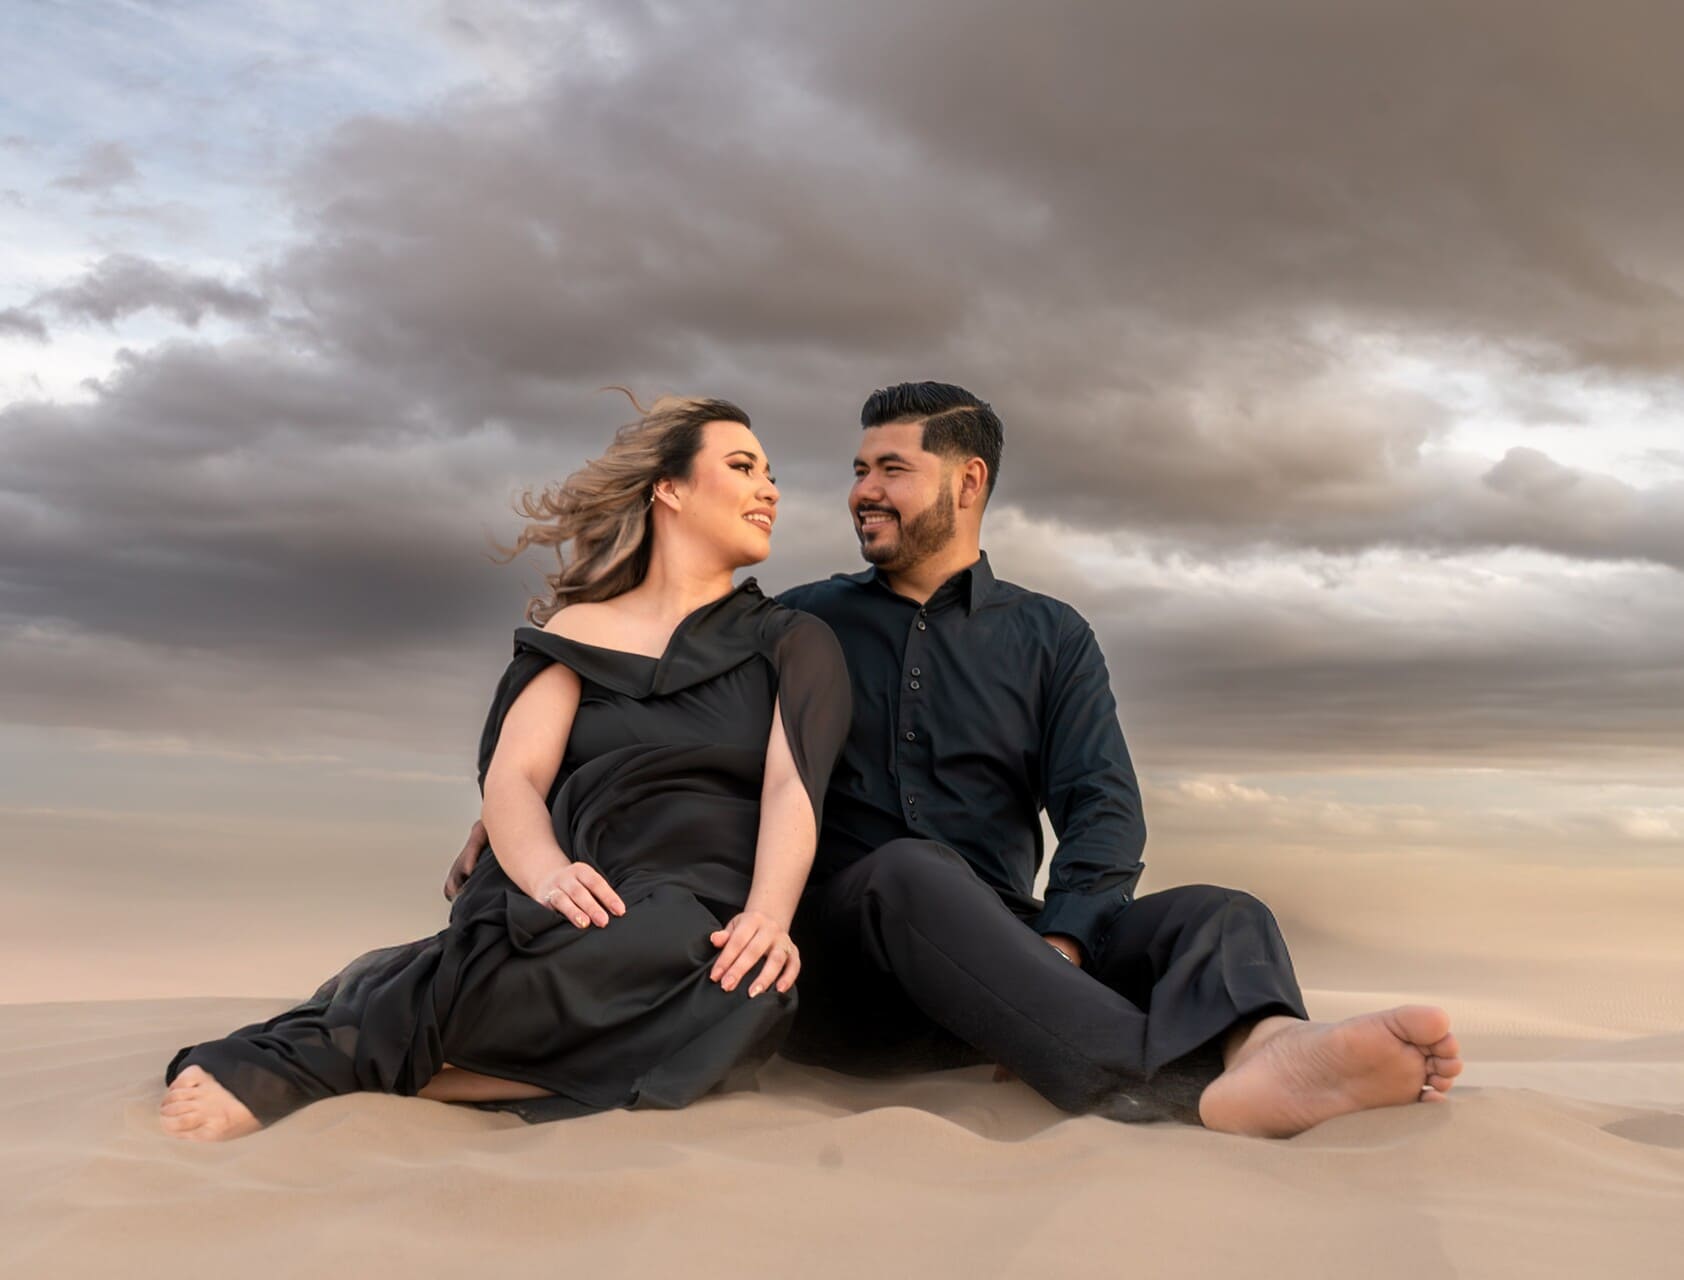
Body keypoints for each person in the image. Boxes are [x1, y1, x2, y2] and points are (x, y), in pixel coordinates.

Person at [446, 382, 1464, 1138]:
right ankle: (1172, 1090)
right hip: (849, 971)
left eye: (890, 469)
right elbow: (655, 715)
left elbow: (1102, 809)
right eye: (857, 470)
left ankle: (1273, 1049)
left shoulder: (1050, 635)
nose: (862, 491)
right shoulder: (794, 625)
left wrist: (1061, 942)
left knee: (1222, 912)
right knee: (908, 870)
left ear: (967, 481)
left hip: (1015, 958)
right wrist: (513, 811)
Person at [160, 394, 851, 1141]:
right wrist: (547, 875)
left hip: (700, 891)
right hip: (579, 878)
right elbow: (516, 778)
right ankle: (306, 1062)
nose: (769, 489)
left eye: (772, 475)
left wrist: (768, 916)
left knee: (747, 989)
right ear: (669, 487)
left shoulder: (794, 639)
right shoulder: (579, 630)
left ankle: (411, 1077)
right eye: (744, 467)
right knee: (526, 955)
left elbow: (793, 784)